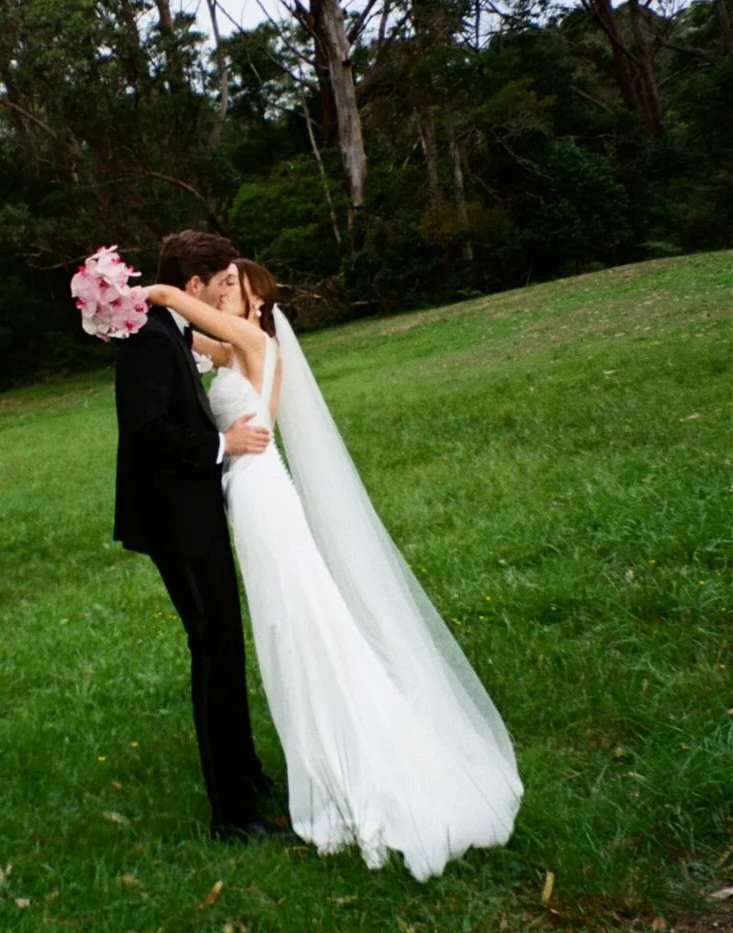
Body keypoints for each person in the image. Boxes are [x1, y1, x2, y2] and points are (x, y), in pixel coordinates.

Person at [145, 258, 523, 881]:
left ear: (260, 303)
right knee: (289, 622)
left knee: (294, 624)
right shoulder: (231, 347)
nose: (226, 293)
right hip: (250, 490)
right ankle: (312, 752)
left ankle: (342, 757)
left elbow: (180, 308)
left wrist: (142, 293)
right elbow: (188, 338)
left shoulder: (255, 340)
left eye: (237, 287)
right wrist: (125, 325)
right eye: (223, 286)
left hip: (261, 493)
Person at [113, 231, 289, 840]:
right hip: (176, 522)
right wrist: (223, 444)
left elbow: (214, 346)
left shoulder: (168, 332)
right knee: (214, 654)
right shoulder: (147, 340)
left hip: (196, 513)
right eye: (219, 288)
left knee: (224, 646)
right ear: (193, 288)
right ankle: (232, 816)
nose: (225, 298)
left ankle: (244, 770)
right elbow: (147, 434)